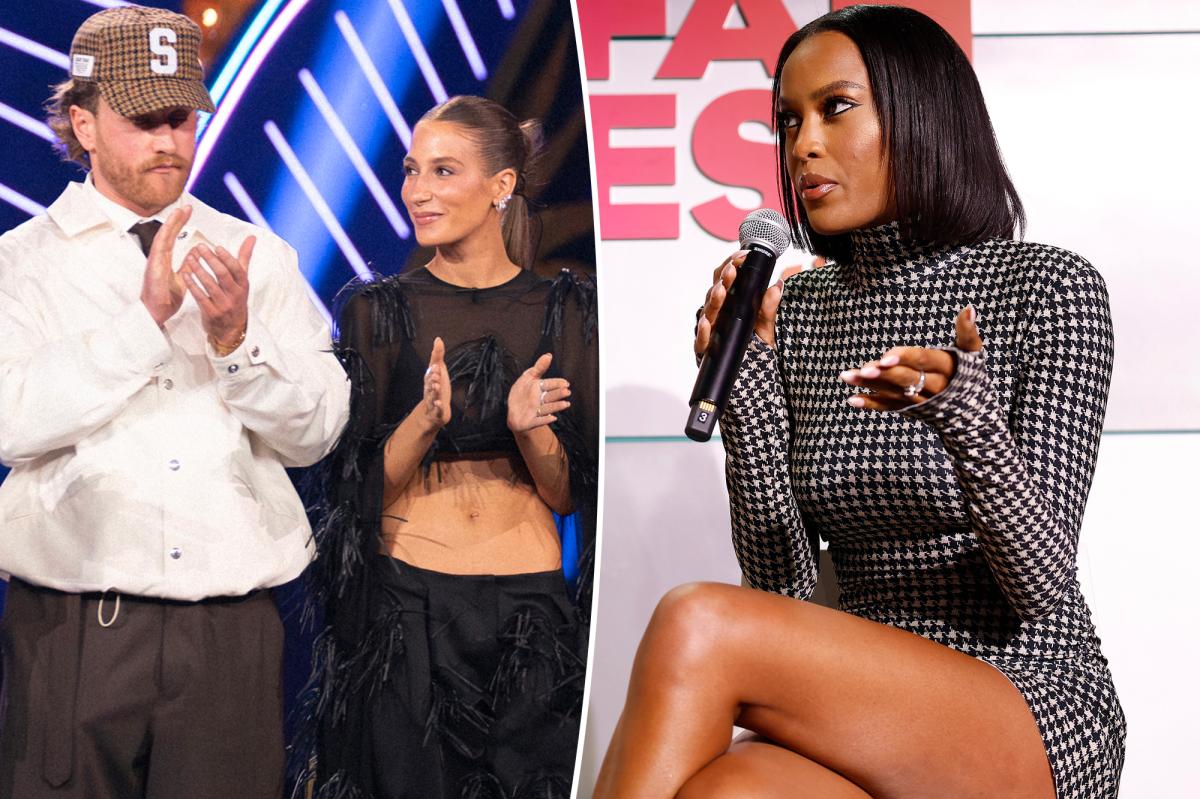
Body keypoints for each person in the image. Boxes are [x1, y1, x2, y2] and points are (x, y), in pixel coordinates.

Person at [595, 7, 1124, 799]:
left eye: (835, 108)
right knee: (724, 792)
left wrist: (966, 419)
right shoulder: (801, 307)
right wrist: (748, 389)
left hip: (1022, 692)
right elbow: (780, 590)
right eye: (789, 120)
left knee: (697, 619)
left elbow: (1042, 583)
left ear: (921, 115)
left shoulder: (1048, 289)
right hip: (853, 702)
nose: (802, 145)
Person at [0, 6, 349, 798]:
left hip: (227, 633)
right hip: (73, 627)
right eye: (143, 120)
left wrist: (237, 344)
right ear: (83, 124)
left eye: (182, 118)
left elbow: (318, 430)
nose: (169, 140)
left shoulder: (257, 257)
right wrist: (144, 323)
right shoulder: (21, 264)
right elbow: (11, 421)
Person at [305, 95, 597, 799]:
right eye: (412, 170)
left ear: (502, 185)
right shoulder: (377, 308)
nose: (418, 191)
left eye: (443, 171)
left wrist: (530, 429)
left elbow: (569, 495)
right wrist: (423, 422)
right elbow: (355, 492)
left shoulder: (566, 309)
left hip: (528, 612)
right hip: (408, 609)